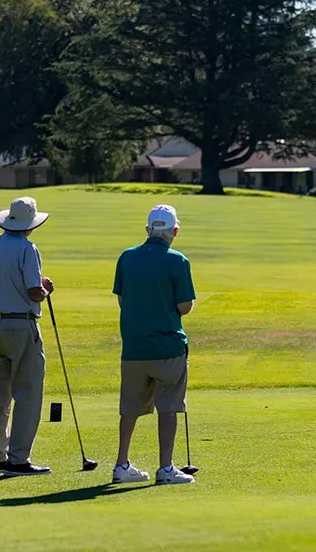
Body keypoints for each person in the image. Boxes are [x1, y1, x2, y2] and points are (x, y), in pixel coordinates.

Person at [111, 204, 196, 485]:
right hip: (167, 347)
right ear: (175, 231)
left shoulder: (126, 258)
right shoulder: (178, 261)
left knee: (130, 409)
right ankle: (165, 469)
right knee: (168, 408)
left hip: (134, 348)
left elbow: (123, 300)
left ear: (148, 229)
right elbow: (184, 307)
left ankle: (122, 464)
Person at [0, 197, 54, 476]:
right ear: (30, 224)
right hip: (21, 325)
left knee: (2, 393)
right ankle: (18, 459)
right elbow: (35, 290)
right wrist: (46, 290)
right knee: (28, 393)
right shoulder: (27, 248)